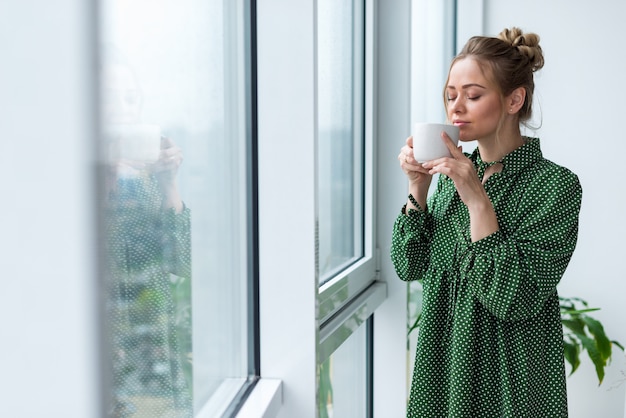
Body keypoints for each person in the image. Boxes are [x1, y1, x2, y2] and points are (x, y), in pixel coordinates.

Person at [391, 27, 582, 417]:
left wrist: (478, 201)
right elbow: (408, 265)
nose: (455, 108)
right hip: (442, 371)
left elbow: (515, 299)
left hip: (511, 379)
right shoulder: (449, 179)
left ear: (514, 100)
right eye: (450, 95)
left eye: (473, 95)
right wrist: (418, 188)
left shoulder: (556, 187)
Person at [101, 49, 193, 418]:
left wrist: (169, 184)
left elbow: (182, 264)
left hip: (157, 364)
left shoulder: (146, 182)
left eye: (131, 98)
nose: (125, 108)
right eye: (110, 98)